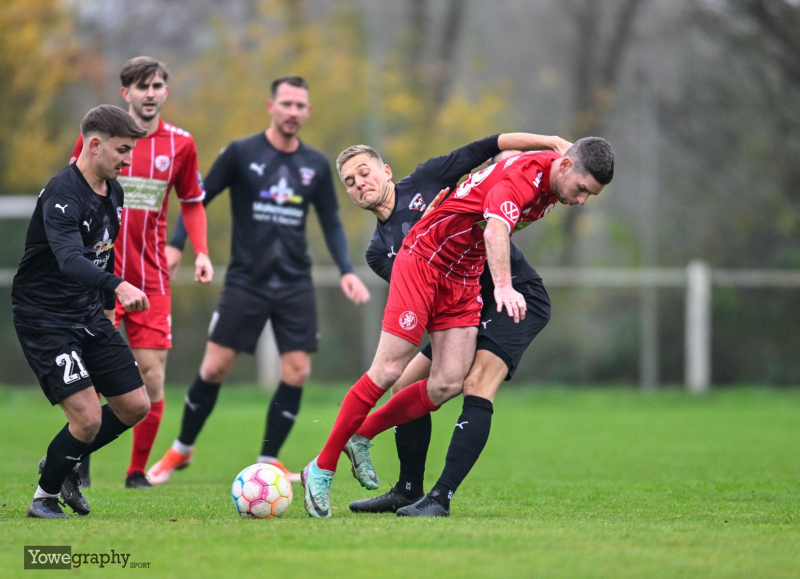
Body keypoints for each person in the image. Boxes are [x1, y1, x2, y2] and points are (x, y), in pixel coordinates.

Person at [301, 136, 615, 518]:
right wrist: (502, 286)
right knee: (389, 370)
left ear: (385, 172)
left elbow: (492, 147)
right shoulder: (517, 182)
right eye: (350, 182)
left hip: (465, 274)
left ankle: (362, 434)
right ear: (564, 168)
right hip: (424, 261)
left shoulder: (434, 179)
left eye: (363, 173)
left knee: (447, 382)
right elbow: (496, 227)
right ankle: (323, 466)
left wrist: (548, 140)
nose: (581, 200)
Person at [147, 76, 370, 485]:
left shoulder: (316, 165)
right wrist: (178, 245)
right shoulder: (240, 153)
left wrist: (346, 272)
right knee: (214, 369)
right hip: (246, 281)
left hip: (294, 282)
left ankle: (269, 459)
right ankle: (181, 449)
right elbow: (199, 197)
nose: (293, 112)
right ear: (271, 106)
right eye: (286, 103)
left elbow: (332, 223)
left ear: (307, 112)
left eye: (300, 106)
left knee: (297, 371)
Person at [69, 57, 212, 489]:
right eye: (141, 85)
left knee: (150, 374)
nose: (151, 92)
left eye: (158, 85)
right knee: (93, 373)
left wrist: (199, 251)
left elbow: (191, 201)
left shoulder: (181, 144)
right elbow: (70, 191)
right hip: (101, 276)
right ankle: (79, 458)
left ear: (166, 91)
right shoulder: (99, 141)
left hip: (151, 278)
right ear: (125, 93)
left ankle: (136, 472)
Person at [13, 105, 152, 518]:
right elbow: (71, 260)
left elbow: (104, 255)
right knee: (88, 418)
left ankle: (65, 462)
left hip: (88, 312)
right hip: (45, 317)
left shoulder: (115, 191)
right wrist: (118, 287)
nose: (128, 160)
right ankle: (45, 497)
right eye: (122, 150)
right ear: (94, 145)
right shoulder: (62, 193)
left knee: (135, 406)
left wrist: (108, 307)